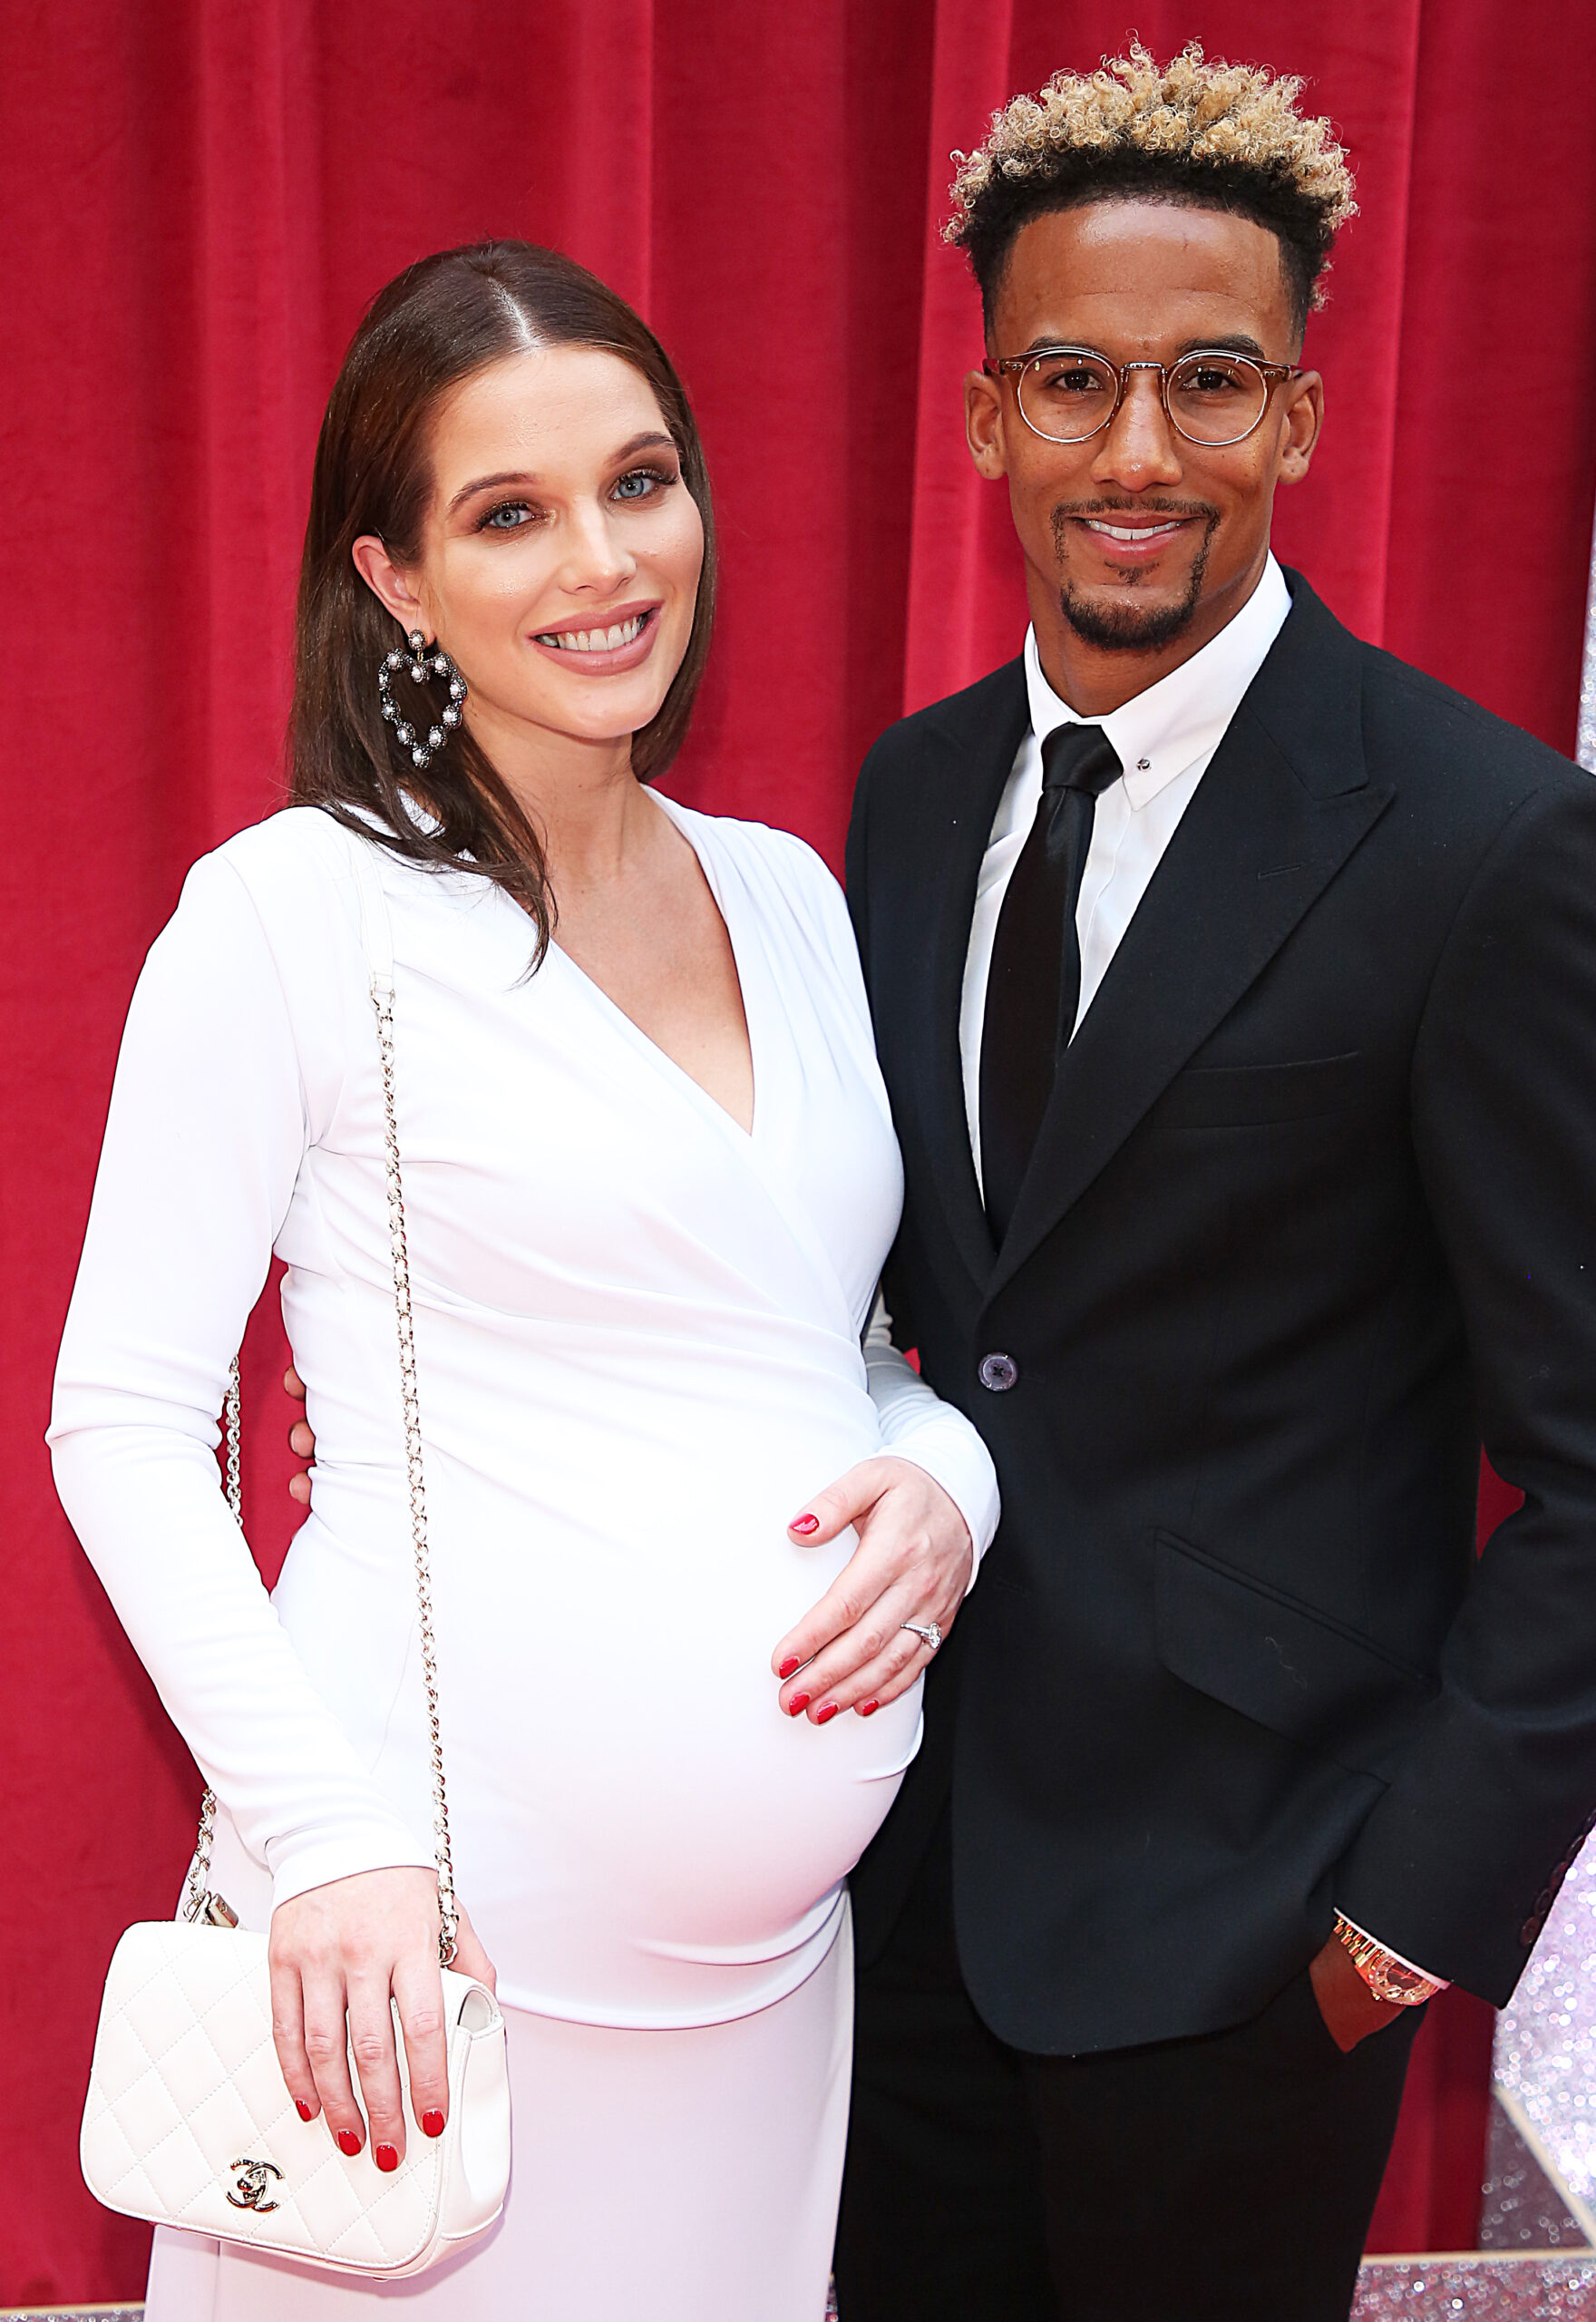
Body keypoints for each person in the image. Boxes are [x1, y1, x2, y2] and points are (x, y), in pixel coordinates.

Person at [831, 42, 1596, 2322]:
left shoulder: (1496, 848)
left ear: (1298, 418)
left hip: (1248, 1932)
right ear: (988, 416)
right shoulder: (910, 803)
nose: (1138, 454)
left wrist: (1399, 1916)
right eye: (1074, 381)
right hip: (887, 1892)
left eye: (1209, 382)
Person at [49, 240, 998, 2322]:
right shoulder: (292, 911)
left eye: (639, 479)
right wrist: (325, 1836)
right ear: (391, 576)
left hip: (768, 1998)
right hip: (421, 1975)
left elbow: (847, 1352)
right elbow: (118, 1413)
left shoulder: (792, 894)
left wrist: (954, 1485)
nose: (603, 559)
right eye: (510, 510)